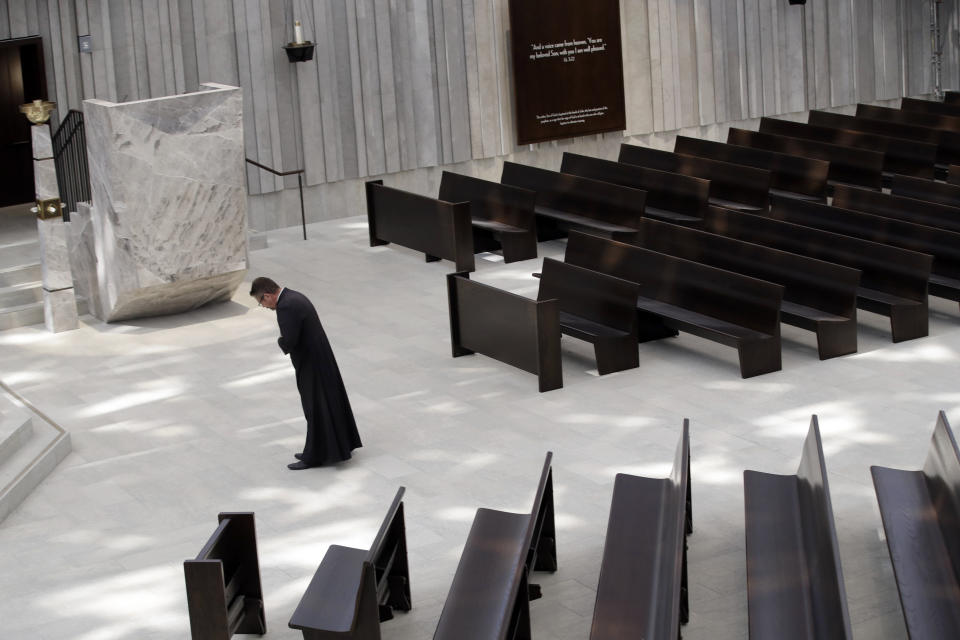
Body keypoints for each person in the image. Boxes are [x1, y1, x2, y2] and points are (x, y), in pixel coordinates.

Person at [250, 277, 362, 469]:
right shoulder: (295, 296)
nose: (264, 306)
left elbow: (290, 340)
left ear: (267, 295)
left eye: (261, 302)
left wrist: (280, 342)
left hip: (311, 364)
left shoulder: (285, 306)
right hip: (321, 359)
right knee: (328, 403)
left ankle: (314, 456)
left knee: (314, 408)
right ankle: (335, 446)